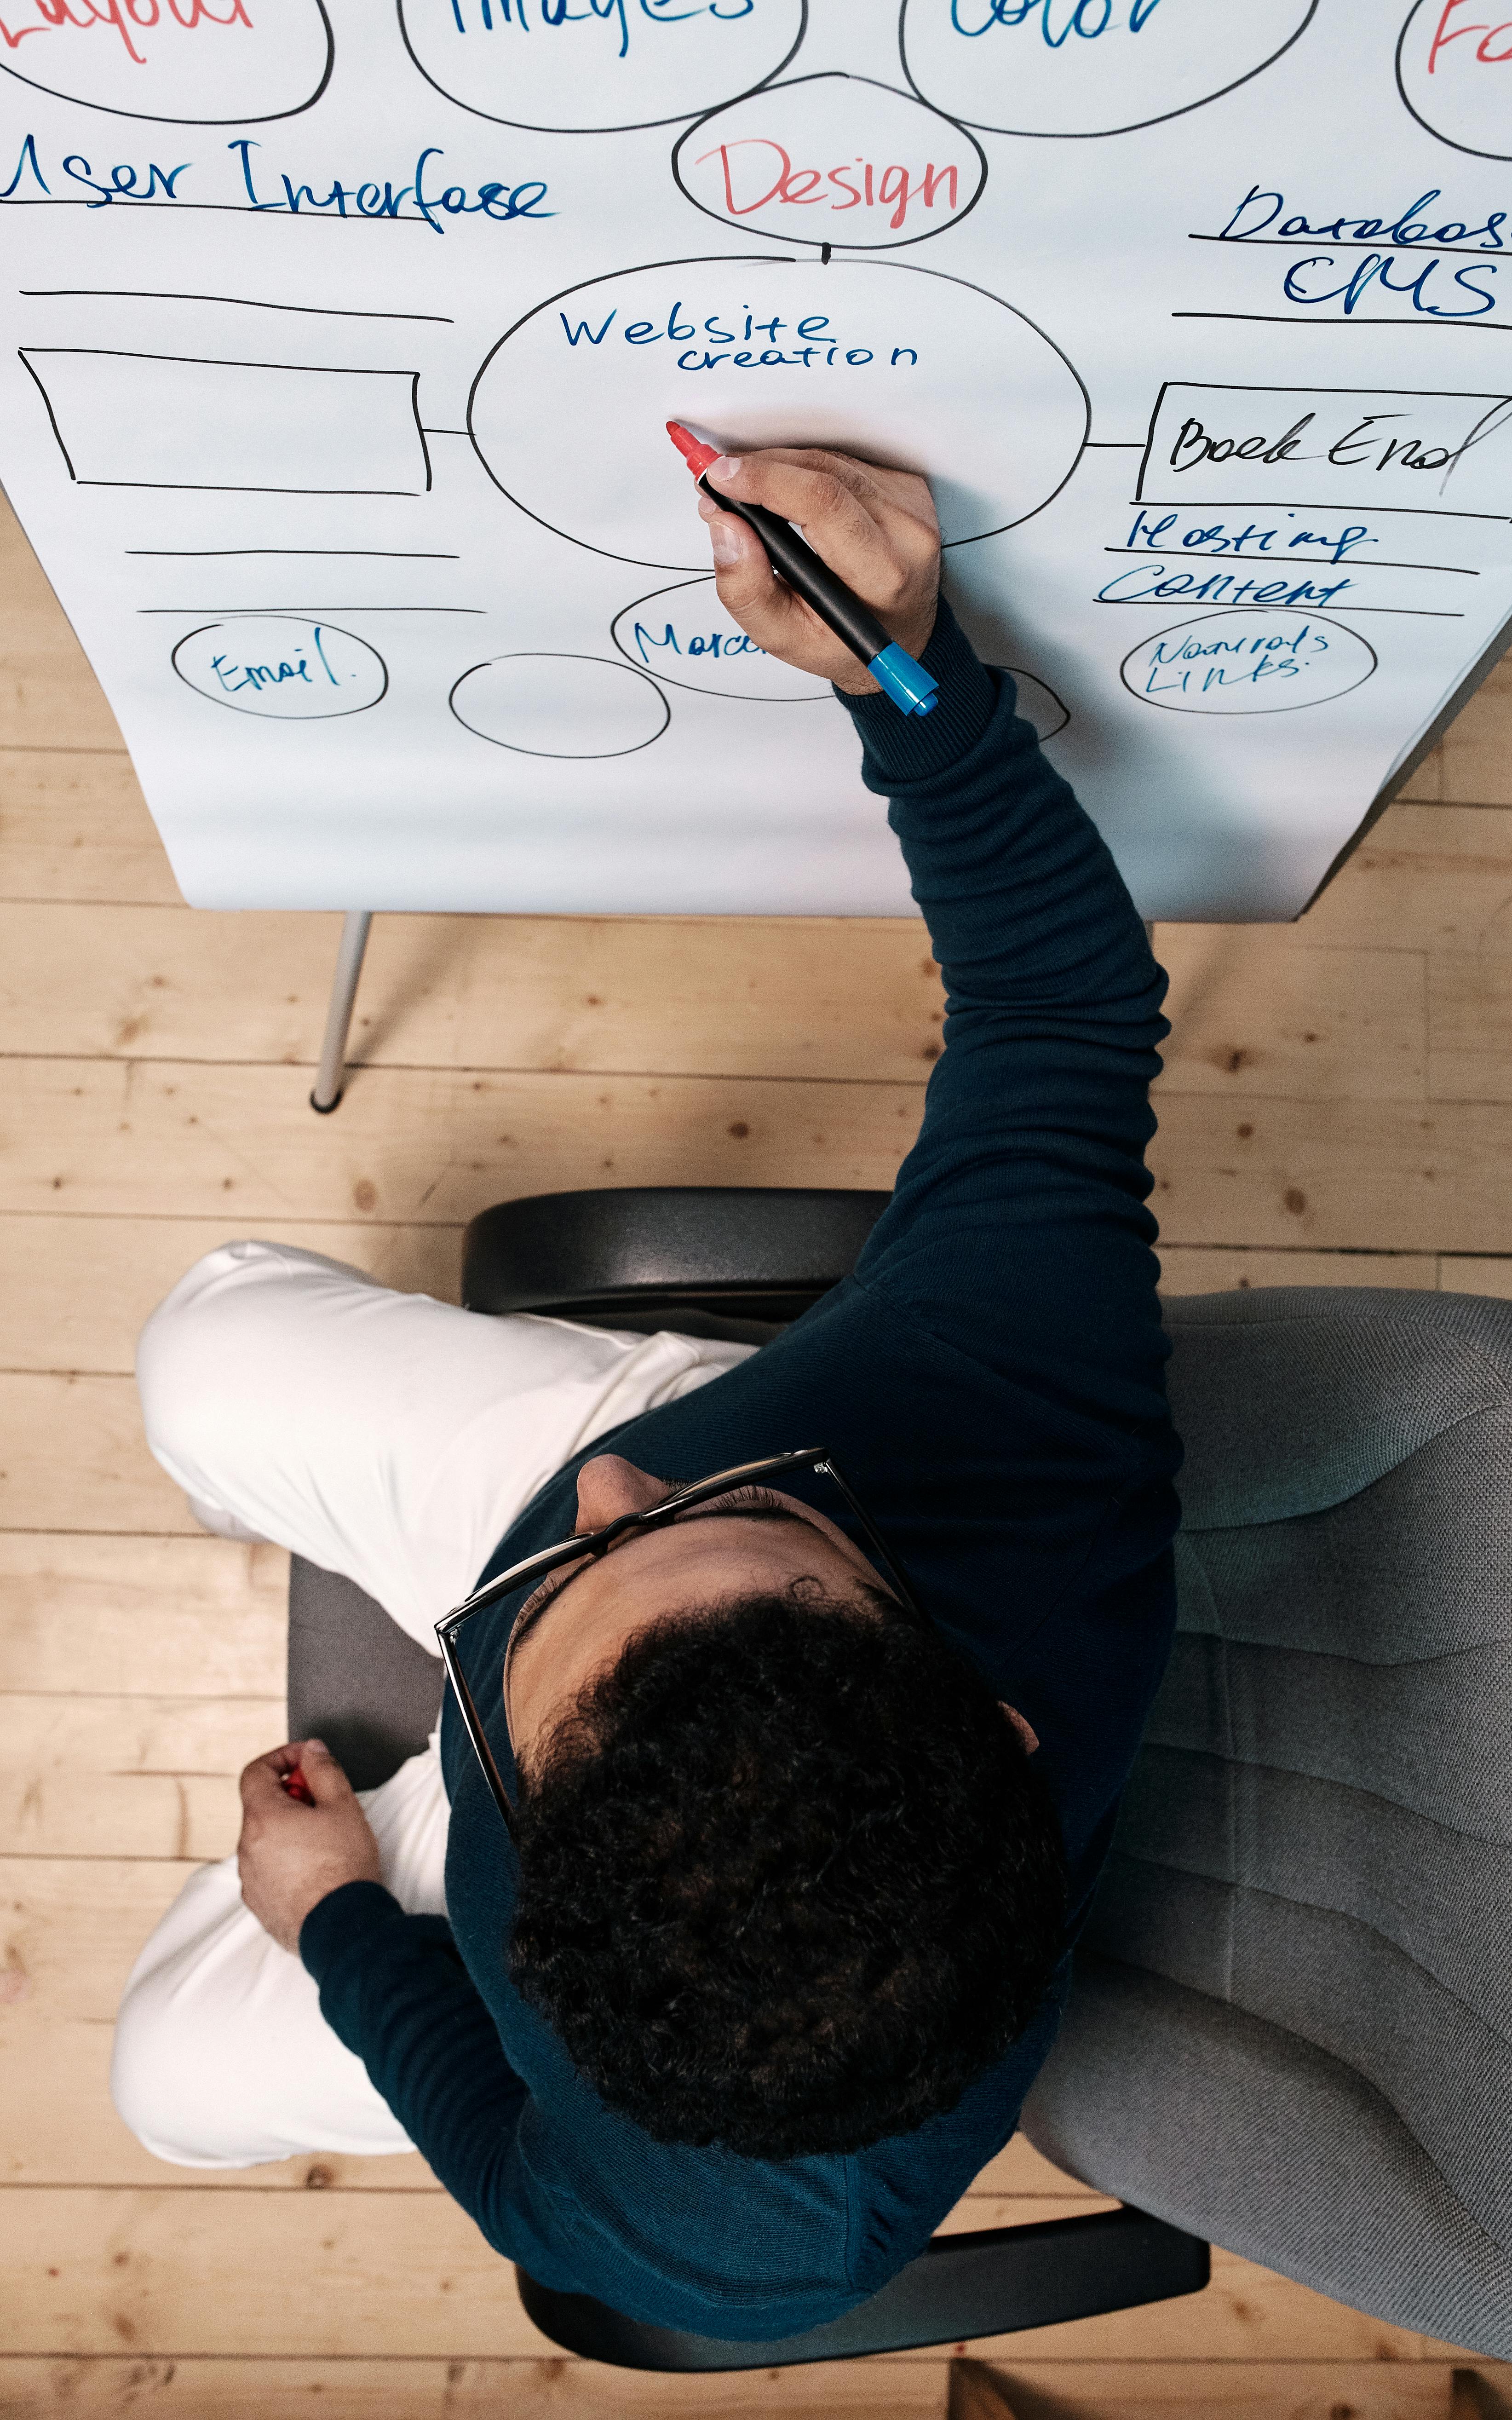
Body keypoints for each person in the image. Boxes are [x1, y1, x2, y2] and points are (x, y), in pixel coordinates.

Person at [111, 445, 1182, 2338]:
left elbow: (500, 2154)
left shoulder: (727, 2236)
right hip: (815, 1495)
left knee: (159, 2086)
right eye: (723, 1532)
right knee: (198, 1352)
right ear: (992, 1719)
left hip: (478, 1830)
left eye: (578, 1586)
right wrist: (901, 663)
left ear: (528, 1928)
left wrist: (345, 1920)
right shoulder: (1021, 1430)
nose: (609, 1491)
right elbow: (1063, 1009)